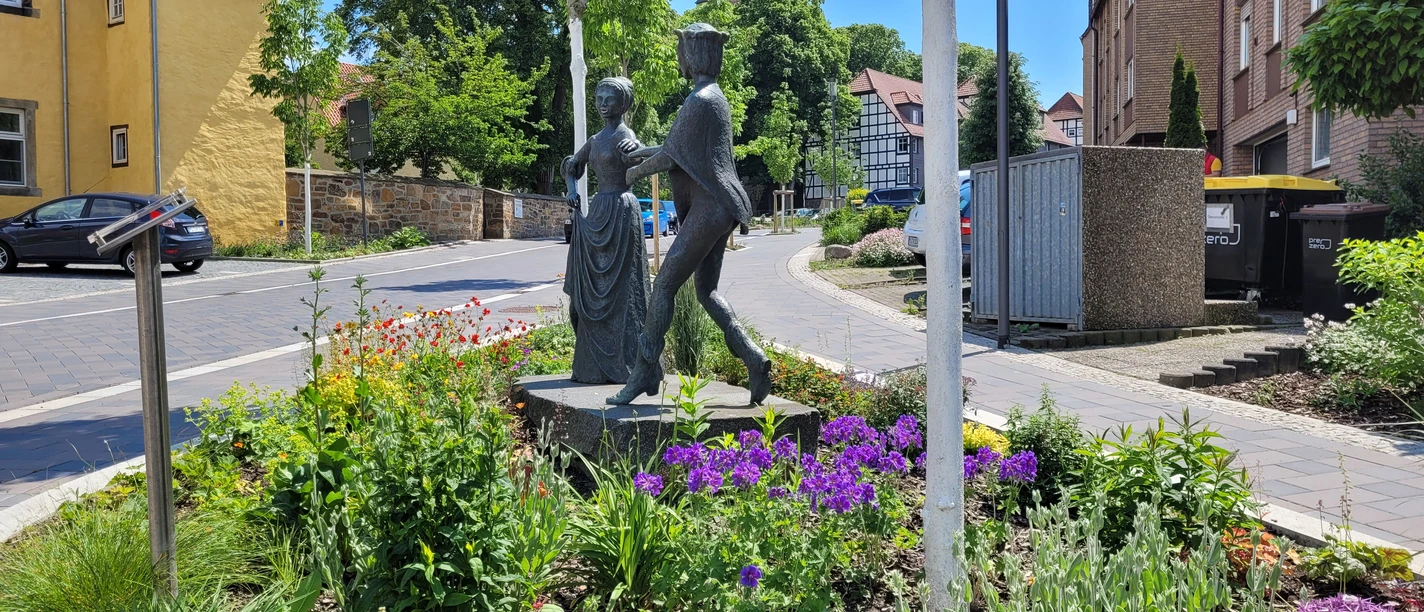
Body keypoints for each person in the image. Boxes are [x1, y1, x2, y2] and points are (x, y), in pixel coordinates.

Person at [606, 23, 772, 405]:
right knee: (706, 291)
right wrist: (642, 152)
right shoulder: (715, 98)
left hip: (710, 208)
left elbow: (669, 156)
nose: (679, 56)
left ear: (693, 54)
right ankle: (752, 357)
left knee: (663, 285)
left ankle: (645, 370)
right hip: (721, 207)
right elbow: (677, 149)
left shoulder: (700, 100)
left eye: (682, 49)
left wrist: (632, 171)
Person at [561, 77, 648, 385]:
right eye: (598, 98)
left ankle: (626, 363)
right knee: (596, 284)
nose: (602, 103)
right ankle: (591, 366)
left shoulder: (626, 134)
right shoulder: (596, 140)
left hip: (623, 212)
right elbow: (572, 165)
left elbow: (642, 156)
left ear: (622, 103)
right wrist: (572, 190)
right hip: (599, 211)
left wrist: (638, 149)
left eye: (609, 98)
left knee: (624, 288)